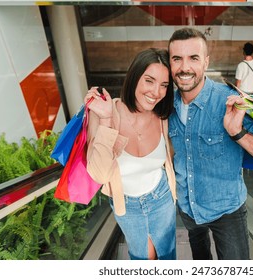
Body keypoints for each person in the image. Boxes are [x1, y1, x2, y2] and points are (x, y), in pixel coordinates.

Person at [167, 28, 253, 260]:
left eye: (193, 58)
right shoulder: (166, 107)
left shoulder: (230, 101)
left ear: (206, 62)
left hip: (228, 212)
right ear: (170, 63)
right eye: (177, 59)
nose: (184, 67)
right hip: (188, 208)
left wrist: (238, 133)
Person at [84, 48, 176, 260]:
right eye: (149, 80)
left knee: (168, 254)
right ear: (134, 77)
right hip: (127, 204)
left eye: (164, 85)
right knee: (142, 257)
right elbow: (99, 175)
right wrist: (106, 120)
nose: (156, 92)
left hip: (162, 197)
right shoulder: (105, 113)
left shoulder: (163, 115)